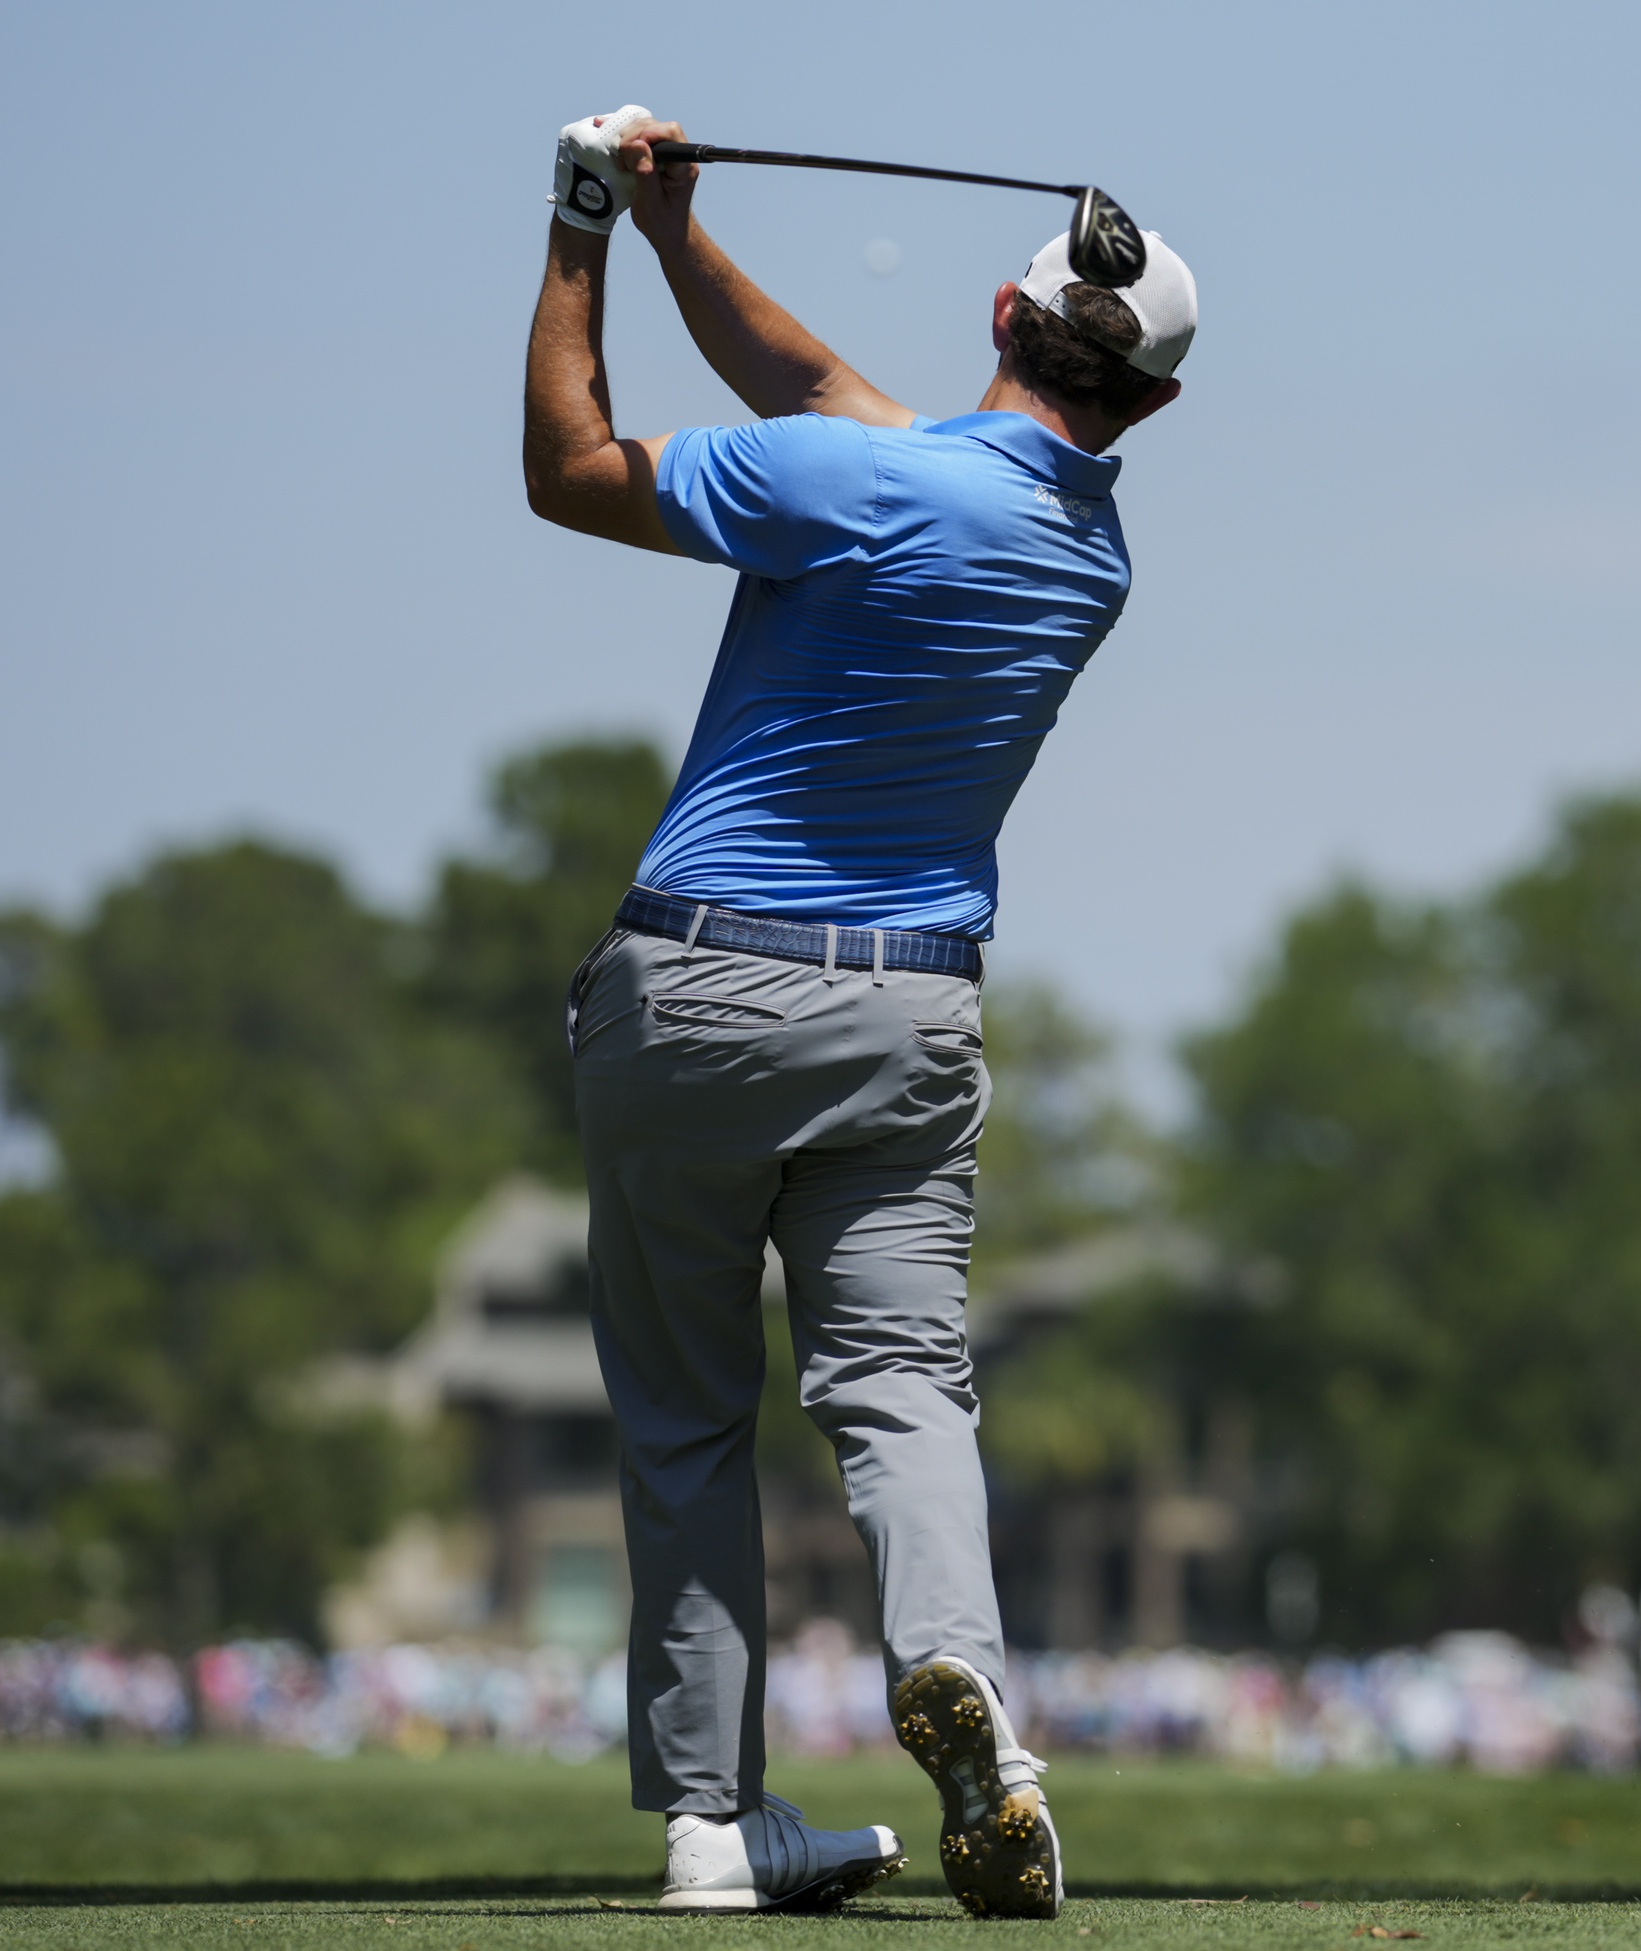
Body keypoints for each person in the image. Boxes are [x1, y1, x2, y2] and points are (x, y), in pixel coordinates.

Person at [522, 106, 1196, 1916]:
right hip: (908, 1020)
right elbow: (824, 382)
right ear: (1146, 408)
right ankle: (979, 1699)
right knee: (901, 1389)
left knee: (681, 1418)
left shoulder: (869, 484)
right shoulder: (1079, 553)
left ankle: (706, 1828)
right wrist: (679, 239)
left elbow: (570, 466)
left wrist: (581, 223)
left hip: (693, 992)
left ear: (997, 306)